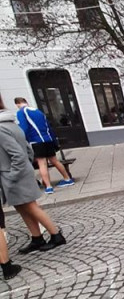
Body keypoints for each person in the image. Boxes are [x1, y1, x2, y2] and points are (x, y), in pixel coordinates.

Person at [0, 95, 66, 253]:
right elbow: (28, 150)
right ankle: (37, 238)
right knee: (23, 208)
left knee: (31, 207)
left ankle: (56, 235)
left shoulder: (1, 128)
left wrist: (13, 175)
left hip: (13, 174)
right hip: (19, 172)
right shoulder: (11, 123)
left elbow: (18, 154)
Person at [14, 97, 74, 194]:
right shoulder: (38, 112)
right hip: (48, 139)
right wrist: (53, 141)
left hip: (37, 141)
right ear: (26, 102)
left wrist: (23, 140)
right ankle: (67, 179)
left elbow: (24, 128)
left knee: (42, 164)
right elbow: (48, 127)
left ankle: (49, 187)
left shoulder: (21, 112)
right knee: (55, 160)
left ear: (17, 104)